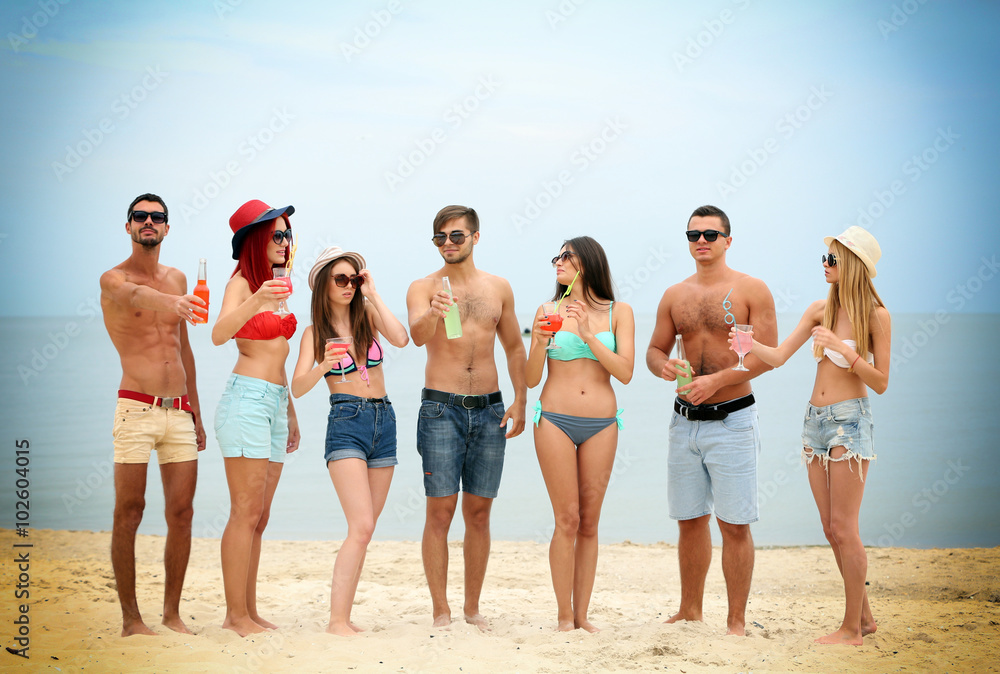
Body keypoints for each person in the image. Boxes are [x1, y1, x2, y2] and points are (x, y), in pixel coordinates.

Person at [734, 225, 889, 645]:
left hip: (849, 420)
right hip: (814, 421)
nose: (825, 264)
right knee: (828, 526)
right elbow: (780, 356)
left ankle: (851, 629)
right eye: (824, 258)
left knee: (845, 526)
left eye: (833, 259)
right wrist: (748, 345)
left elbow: (880, 382)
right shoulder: (819, 309)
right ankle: (865, 618)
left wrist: (848, 351)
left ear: (854, 265)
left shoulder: (876, 315)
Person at [646, 204, 777, 636]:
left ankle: (736, 620)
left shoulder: (750, 289)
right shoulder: (674, 294)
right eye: (693, 235)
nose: (701, 241)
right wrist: (663, 367)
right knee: (689, 520)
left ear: (727, 240)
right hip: (684, 422)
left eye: (710, 234)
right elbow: (655, 350)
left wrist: (717, 380)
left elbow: (768, 355)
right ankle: (690, 610)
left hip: (732, 420)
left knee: (734, 523)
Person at [405, 205, 527, 629]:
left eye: (456, 235)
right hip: (441, 408)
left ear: (476, 237)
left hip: (491, 408)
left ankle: (472, 608)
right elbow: (416, 338)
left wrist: (521, 400)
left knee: (478, 513)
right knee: (439, 513)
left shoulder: (499, 288)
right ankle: (442, 611)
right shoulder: (423, 288)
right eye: (440, 237)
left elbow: (514, 346)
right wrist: (433, 313)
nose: (448, 244)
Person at [100, 192, 207, 636]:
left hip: (178, 411)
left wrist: (196, 410)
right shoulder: (113, 278)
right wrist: (175, 304)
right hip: (135, 408)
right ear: (128, 226)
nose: (148, 222)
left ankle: (171, 613)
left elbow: (183, 347)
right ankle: (131, 619)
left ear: (166, 228)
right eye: (140, 216)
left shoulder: (179, 276)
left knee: (181, 513)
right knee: (130, 509)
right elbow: (135, 293)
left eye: (157, 217)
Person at [291, 246, 409, 636]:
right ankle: (336, 621)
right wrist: (324, 363)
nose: (349, 286)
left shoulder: (367, 317)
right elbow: (298, 386)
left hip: (384, 420)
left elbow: (402, 338)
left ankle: (344, 617)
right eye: (341, 279)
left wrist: (372, 293)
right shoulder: (314, 333)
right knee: (359, 526)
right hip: (345, 419)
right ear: (324, 285)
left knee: (367, 529)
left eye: (354, 279)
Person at [525, 237, 635, 632]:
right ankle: (563, 617)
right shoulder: (547, 310)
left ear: (587, 262)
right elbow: (532, 377)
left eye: (566, 256)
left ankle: (582, 614)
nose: (557, 262)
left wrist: (588, 333)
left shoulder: (618, 312)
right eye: (555, 256)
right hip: (554, 418)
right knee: (566, 518)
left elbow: (624, 372)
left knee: (590, 521)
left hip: (602, 424)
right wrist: (538, 342)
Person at [211, 199, 301, 636]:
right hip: (245, 400)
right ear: (256, 240)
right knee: (244, 512)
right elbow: (218, 332)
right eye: (277, 234)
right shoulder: (243, 285)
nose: (285, 242)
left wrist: (290, 409)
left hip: (273, 403)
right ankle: (234, 616)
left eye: (287, 234)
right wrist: (259, 298)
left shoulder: (275, 285)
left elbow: (279, 357)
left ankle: (248, 609)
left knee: (260, 516)